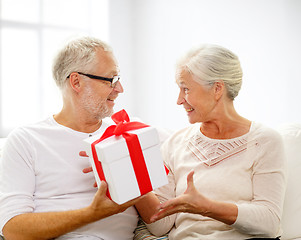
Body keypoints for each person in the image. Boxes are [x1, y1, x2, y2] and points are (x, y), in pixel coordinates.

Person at [0, 36, 155, 240]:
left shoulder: (124, 133)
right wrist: (92, 213)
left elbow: (155, 216)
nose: (120, 89)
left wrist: (129, 172)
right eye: (111, 80)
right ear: (76, 82)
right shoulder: (26, 140)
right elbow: (12, 229)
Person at [142, 44, 287, 239]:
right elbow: (159, 225)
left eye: (185, 89)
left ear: (217, 89)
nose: (178, 100)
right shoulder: (175, 144)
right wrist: (129, 183)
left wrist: (207, 208)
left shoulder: (264, 141)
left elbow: (269, 221)